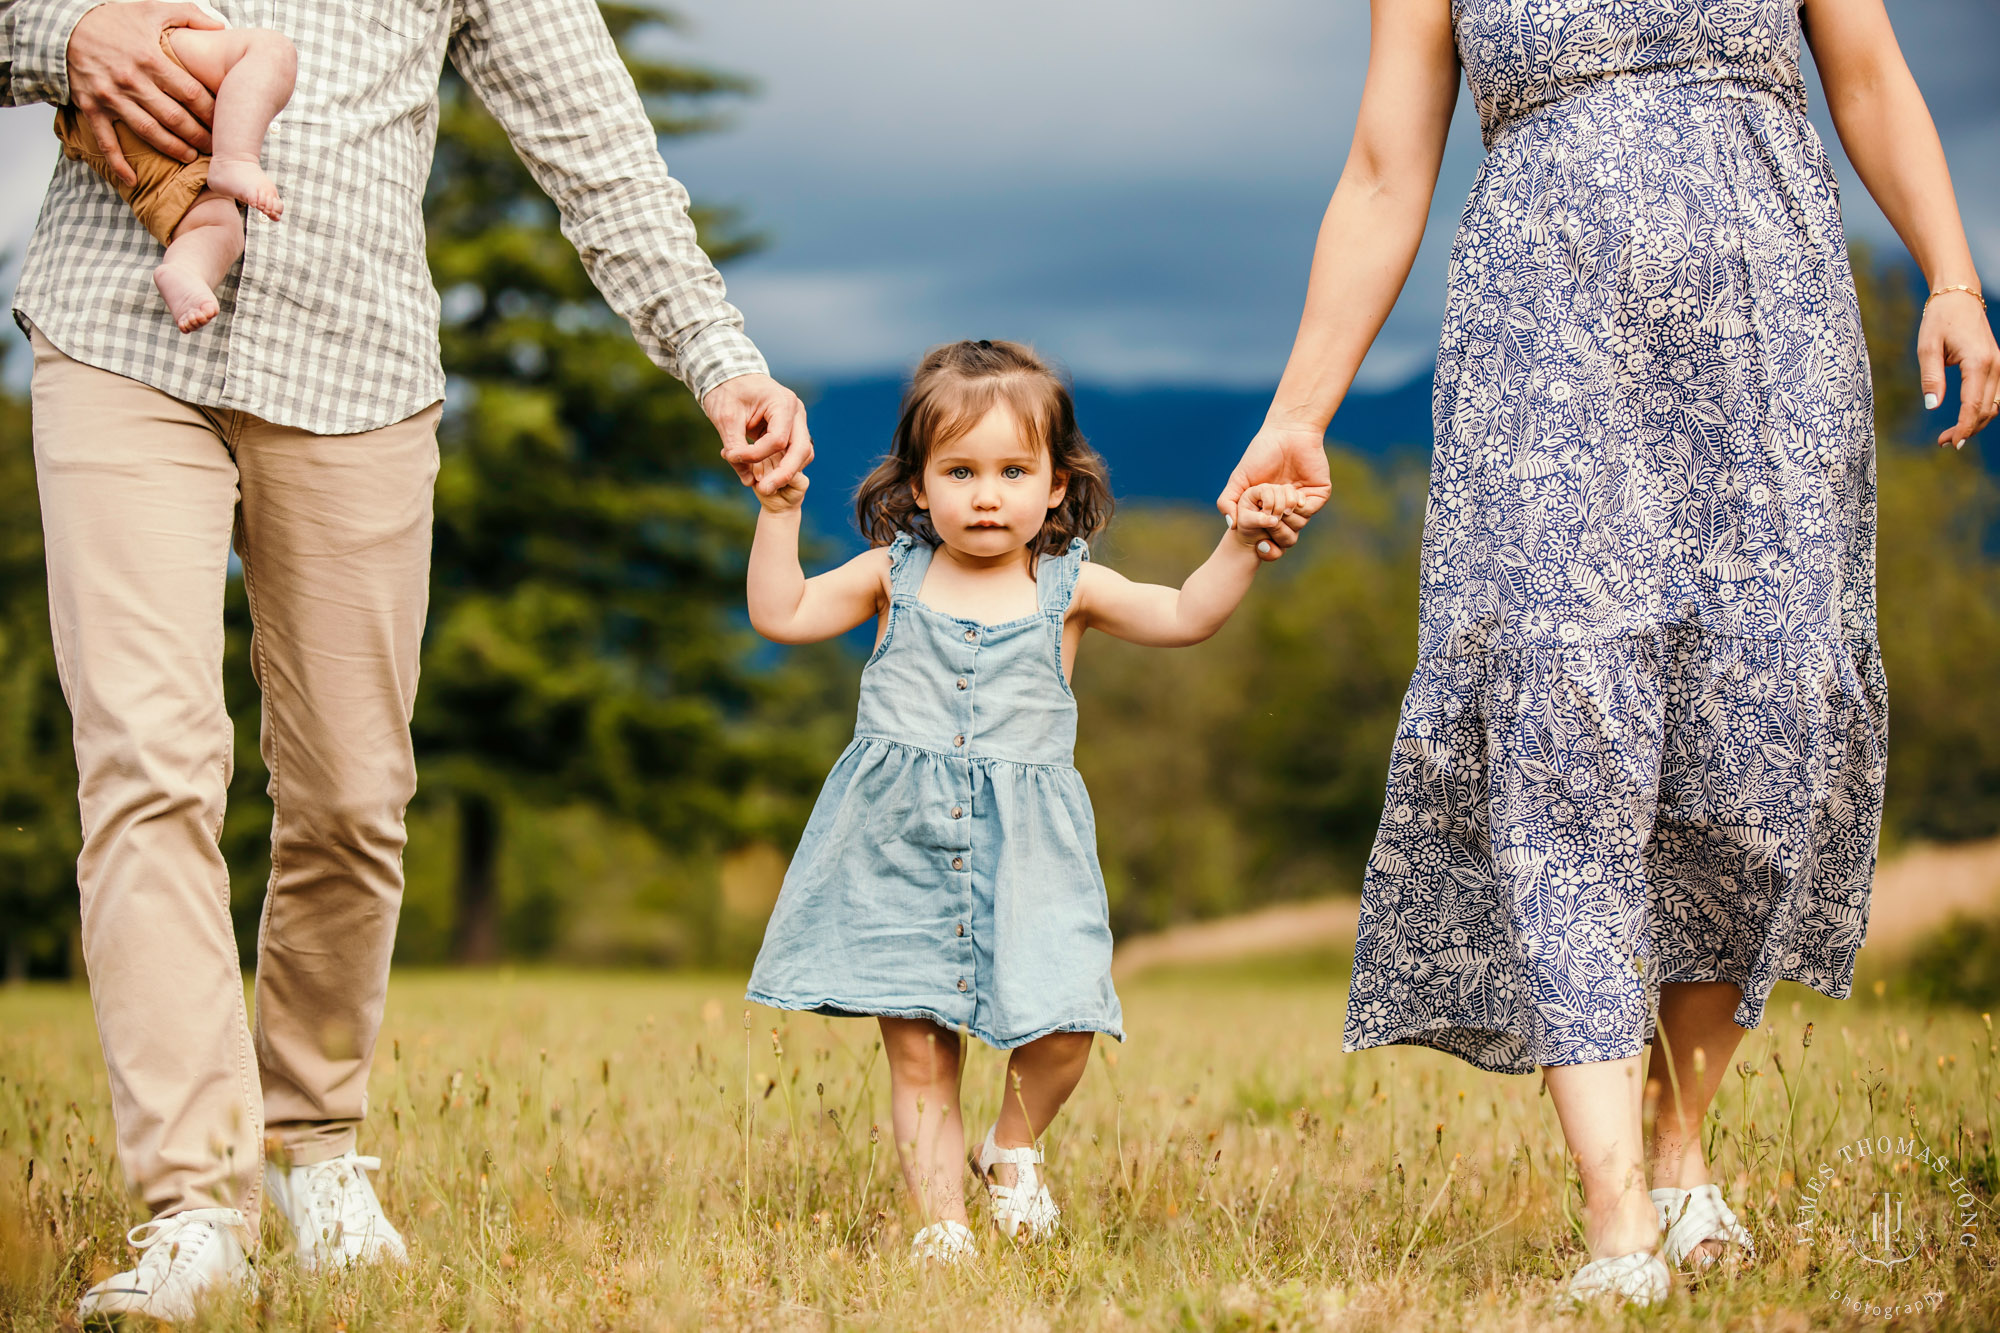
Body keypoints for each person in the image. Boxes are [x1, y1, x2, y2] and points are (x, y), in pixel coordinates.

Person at [2, 0, 811, 1321]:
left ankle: (310, 1150)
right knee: (148, 765)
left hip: (357, 363)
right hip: (120, 329)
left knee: (351, 794)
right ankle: (194, 1210)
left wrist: (713, 354)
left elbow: (590, 132)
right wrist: (62, 36)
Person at [1218, 0, 1997, 1307]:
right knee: (1557, 738)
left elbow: (1867, 76)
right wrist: (1300, 413)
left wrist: (1955, 277)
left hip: (1774, 342)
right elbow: (1380, 169)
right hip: (1542, 353)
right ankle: (1618, 1211)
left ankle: (1681, 1143)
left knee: (1768, 735)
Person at [743, 339, 1300, 1262]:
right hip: (899, 843)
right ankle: (941, 1230)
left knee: (1069, 1020)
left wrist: (1240, 542)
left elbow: (1187, 614)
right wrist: (776, 515)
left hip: (1030, 847)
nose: (987, 494)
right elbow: (782, 614)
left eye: (1013, 470)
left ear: (1055, 484)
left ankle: (1010, 1146)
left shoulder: (1068, 586)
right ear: (918, 486)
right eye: (959, 470)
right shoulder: (892, 573)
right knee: (919, 1047)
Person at [50, 0, 296, 332]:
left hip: (119, 132)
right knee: (272, 52)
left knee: (217, 229)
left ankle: (185, 270)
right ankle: (236, 157)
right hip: (146, 53)